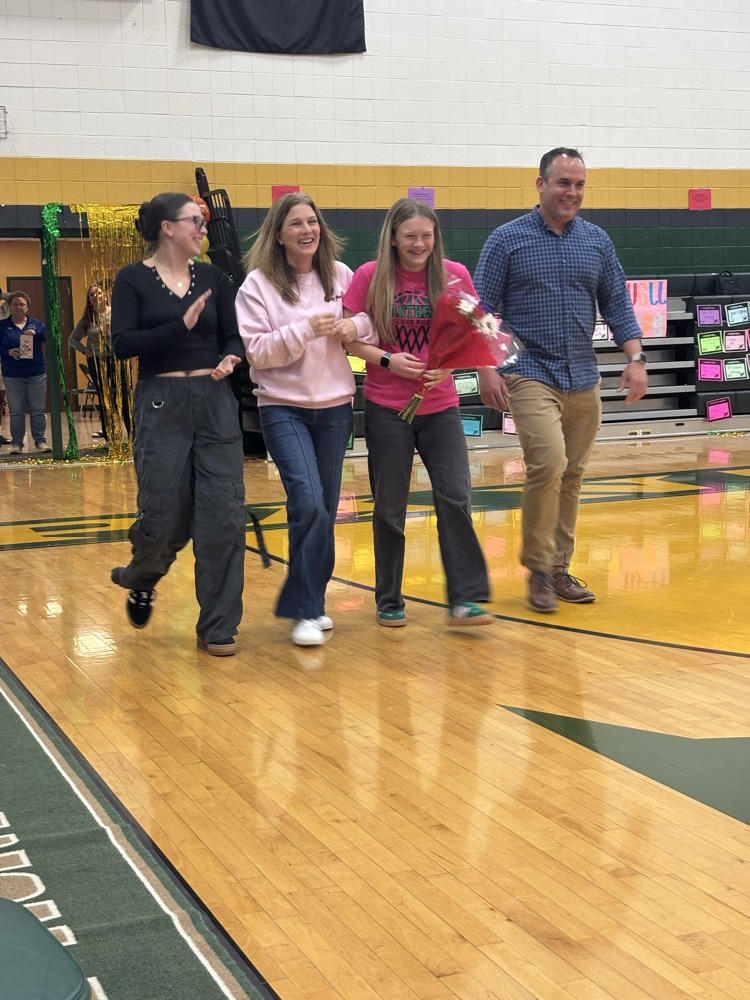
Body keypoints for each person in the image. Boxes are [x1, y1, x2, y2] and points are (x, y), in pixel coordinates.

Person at [474, 147, 648, 613]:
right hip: (528, 372)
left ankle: (558, 568)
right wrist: (485, 367)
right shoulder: (506, 239)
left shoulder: (596, 241)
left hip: (582, 375)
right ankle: (537, 569)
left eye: (579, 184)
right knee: (548, 464)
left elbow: (617, 303)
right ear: (541, 184)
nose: (572, 192)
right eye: (563, 183)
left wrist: (636, 358)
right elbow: (481, 310)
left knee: (572, 475)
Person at [342, 197, 493, 628]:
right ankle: (389, 598)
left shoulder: (455, 274)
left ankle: (466, 598)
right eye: (410, 236)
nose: (419, 244)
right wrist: (388, 360)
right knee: (390, 508)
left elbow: (479, 332)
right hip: (387, 407)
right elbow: (348, 338)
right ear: (393, 237)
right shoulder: (369, 277)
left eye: (427, 236)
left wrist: (451, 366)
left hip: (441, 407)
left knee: (456, 497)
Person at [110, 192, 246, 656]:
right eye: (195, 221)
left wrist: (232, 356)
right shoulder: (132, 279)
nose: (203, 229)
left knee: (223, 517)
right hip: (161, 404)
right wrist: (179, 327)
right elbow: (122, 344)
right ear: (167, 227)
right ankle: (141, 577)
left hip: (214, 401)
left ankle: (218, 626)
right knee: (163, 516)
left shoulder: (214, 278)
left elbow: (233, 334)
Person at [234, 192, 362, 647]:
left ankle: (313, 602)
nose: (307, 230)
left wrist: (355, 327)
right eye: (296, 224)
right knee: (307, 500)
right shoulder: (256, 286)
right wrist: (306, 329)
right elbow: (258, 353)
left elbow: (368, 322)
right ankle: (304, 607)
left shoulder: (341, 275)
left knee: (323, 506)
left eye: (312, 222)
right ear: (279, 235)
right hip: (282, 407)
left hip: (335, 407)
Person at [69, 282, 131, 442]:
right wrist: (84, 349)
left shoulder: (116, 313)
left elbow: (128, 332)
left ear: (105, 295)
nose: (95, 296)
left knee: (124, 397)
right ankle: (110, 436)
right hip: (97, 361)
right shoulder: (87, 319)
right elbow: (72, 339)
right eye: (91, 295)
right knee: (105, 398)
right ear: (89, 300)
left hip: (117, 359)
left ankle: (133, 435)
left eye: (98, 293)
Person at [0, 291, 52, 454]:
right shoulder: (2, 325)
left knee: (37, 410)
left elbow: (50, 339)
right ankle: (17, 443)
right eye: (15, 304)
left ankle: (40, 442)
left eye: (22, 304)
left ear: (27, 307)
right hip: (12, 374)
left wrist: (37, 333)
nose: (19, 307)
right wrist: (8, 352)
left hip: (36, 373)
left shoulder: (36, 324)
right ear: (10, 307)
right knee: (16, 411)